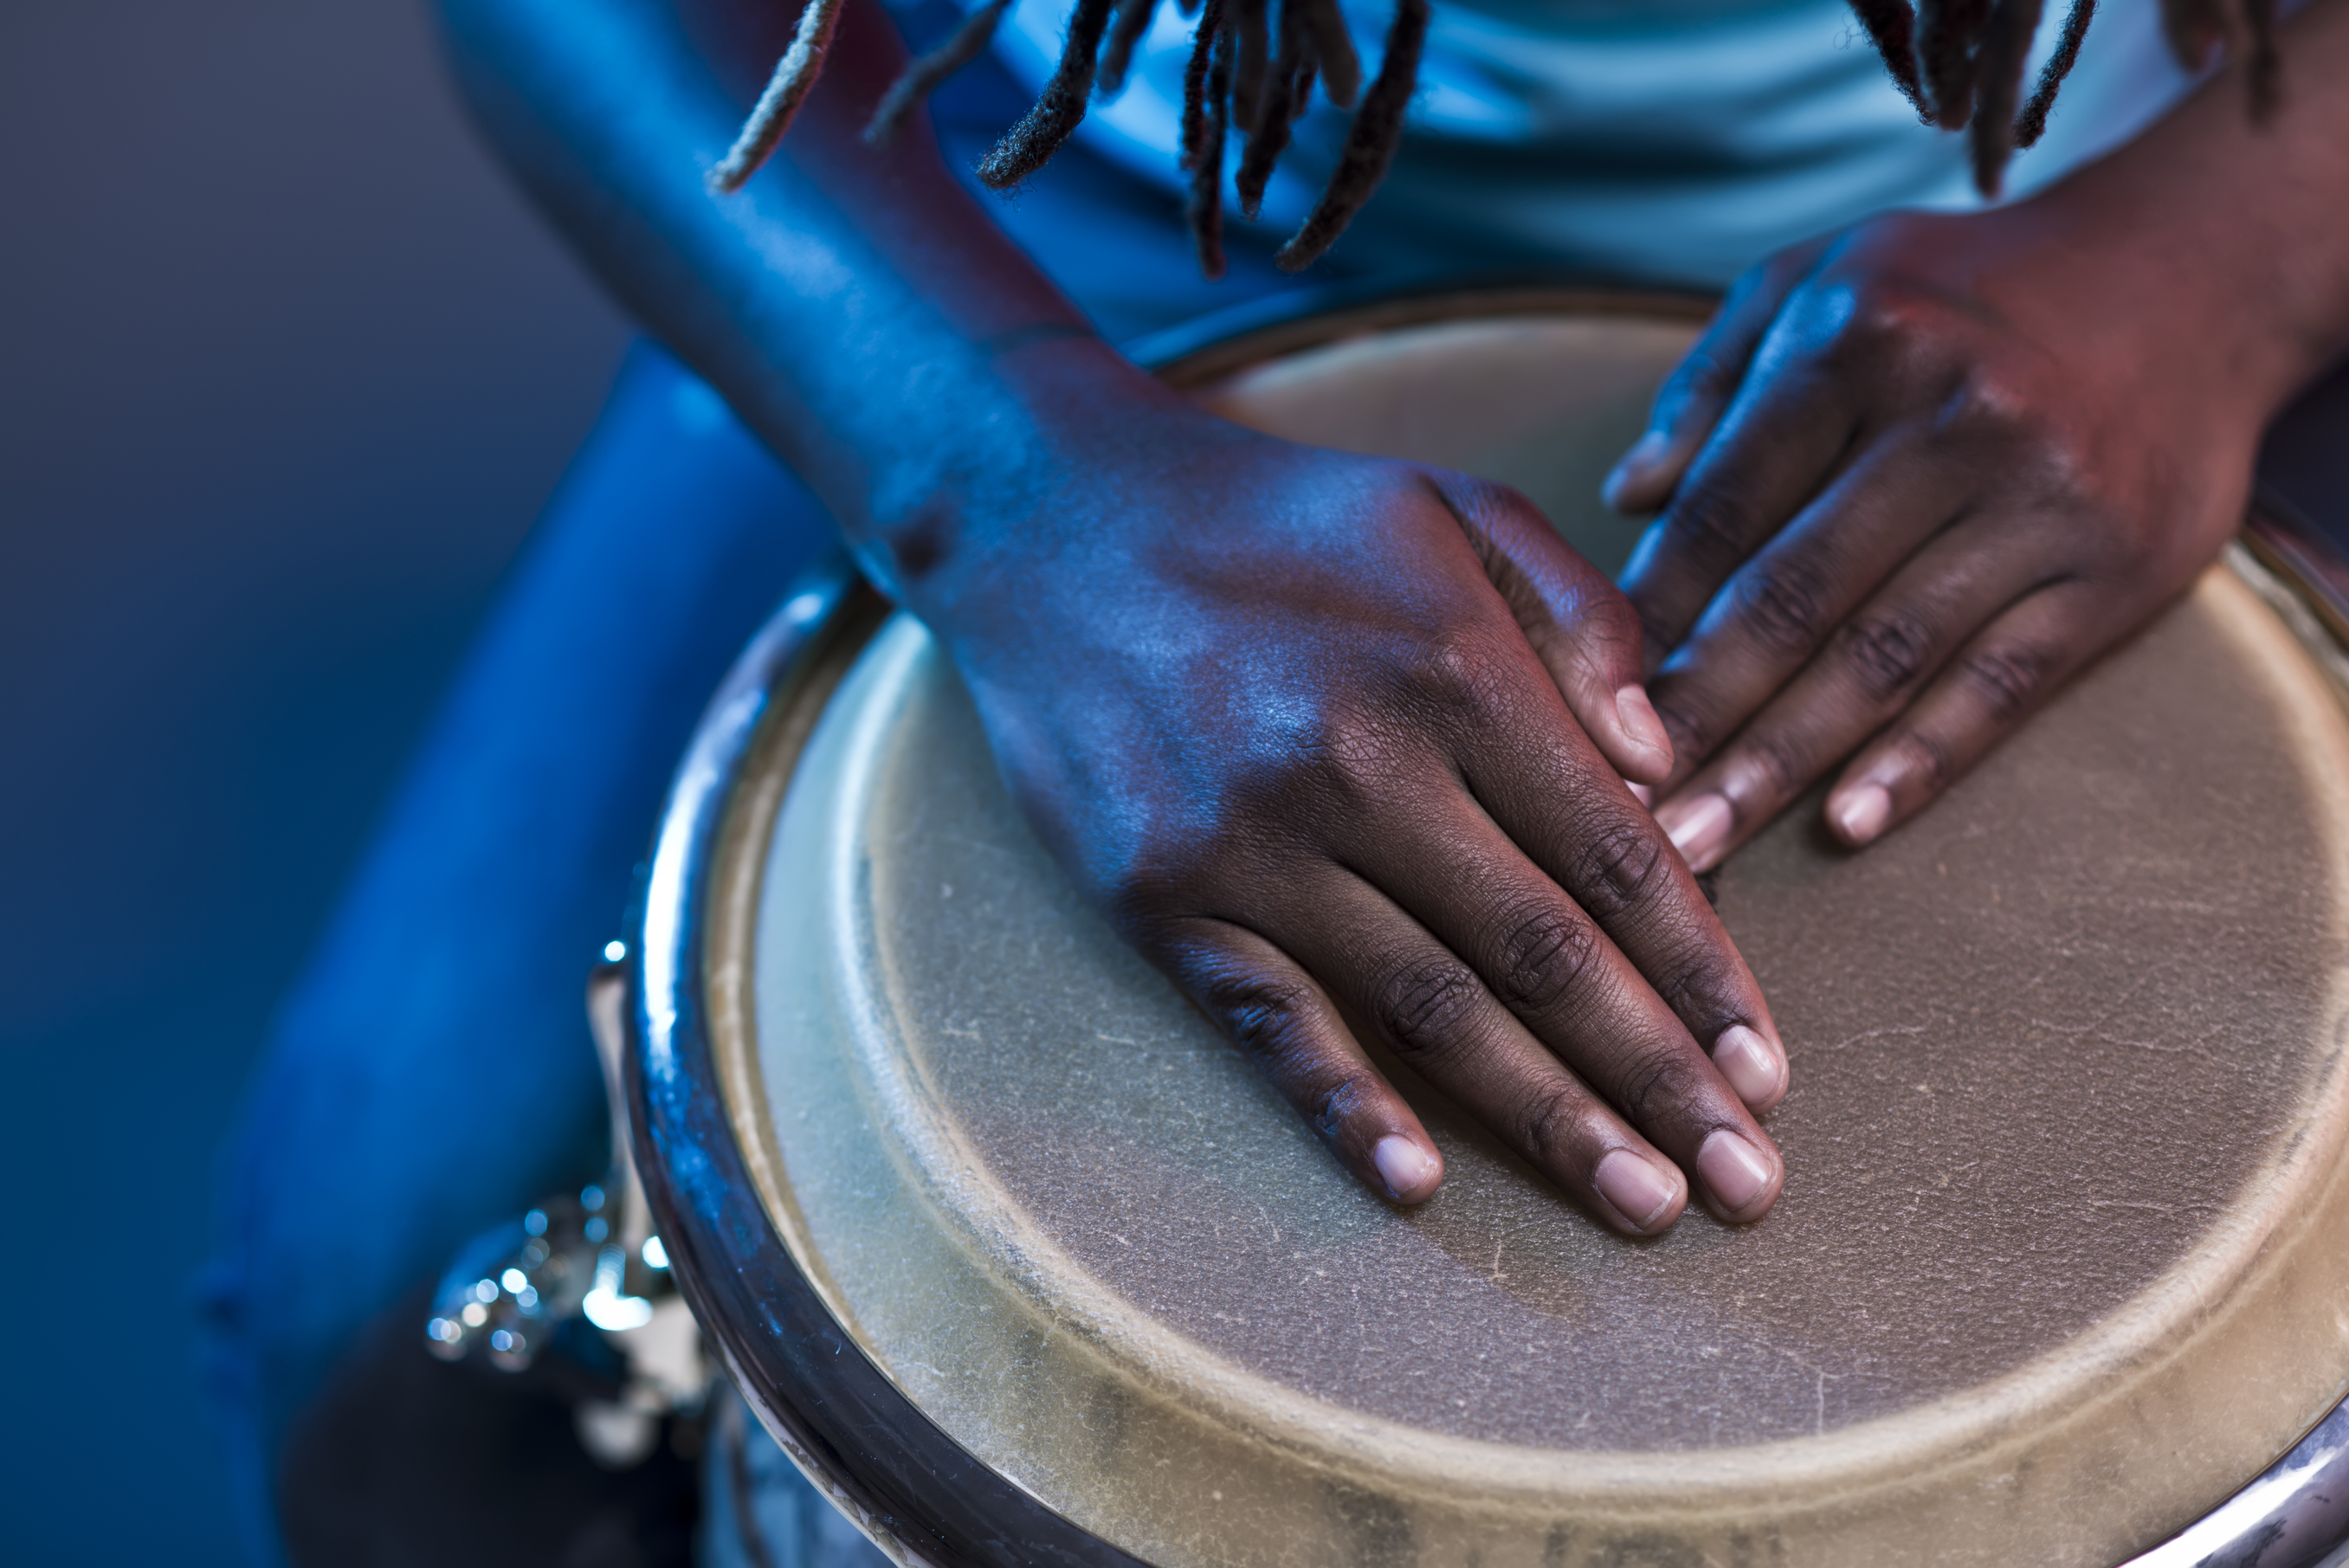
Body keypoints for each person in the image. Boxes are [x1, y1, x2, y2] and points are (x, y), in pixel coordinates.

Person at [202, 0, 2349, 1561]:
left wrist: (2242, 250)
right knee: (391, 1337)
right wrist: (993, 477)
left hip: (2112, 155)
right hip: (1029, 188)